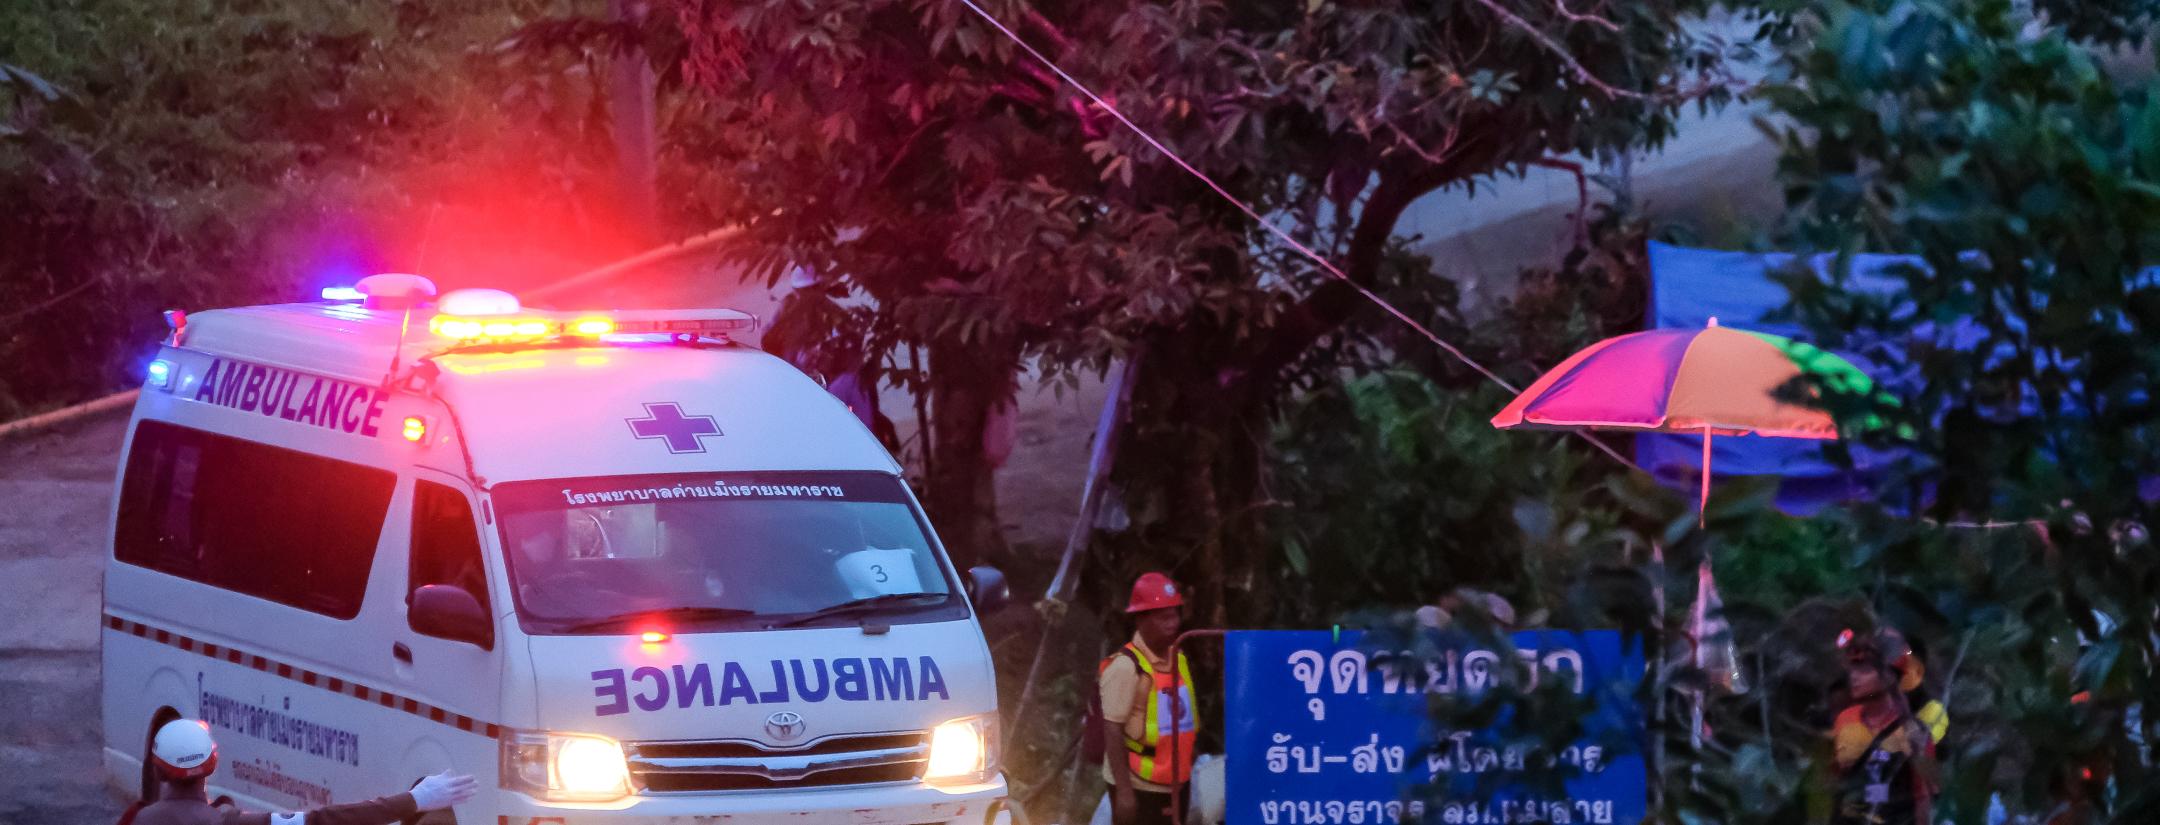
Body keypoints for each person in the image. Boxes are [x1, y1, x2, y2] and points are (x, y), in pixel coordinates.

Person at [121, 719, 476, 825]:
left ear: (159, 770)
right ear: (211, 764)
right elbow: (327, 819)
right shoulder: (234, 824)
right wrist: (415, 799)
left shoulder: (135, 820)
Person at [1100, 572, 1198, 825]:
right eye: (1164, 617)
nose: (1173, 623)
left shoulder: (1180, 659)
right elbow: (1112, 728)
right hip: (1140, 786)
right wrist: (1124, 794)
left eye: (1175, 614)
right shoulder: (1125, 667)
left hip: (1176, 783)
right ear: (1141, 620)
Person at [1823, 629, 1938, 825]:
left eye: (1864, 670)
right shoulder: (1845, 720)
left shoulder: (1914, 733)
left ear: (1889, 676)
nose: (1854, 677)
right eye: (1853, 668)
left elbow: (1923, 799)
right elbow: (1836, 782)